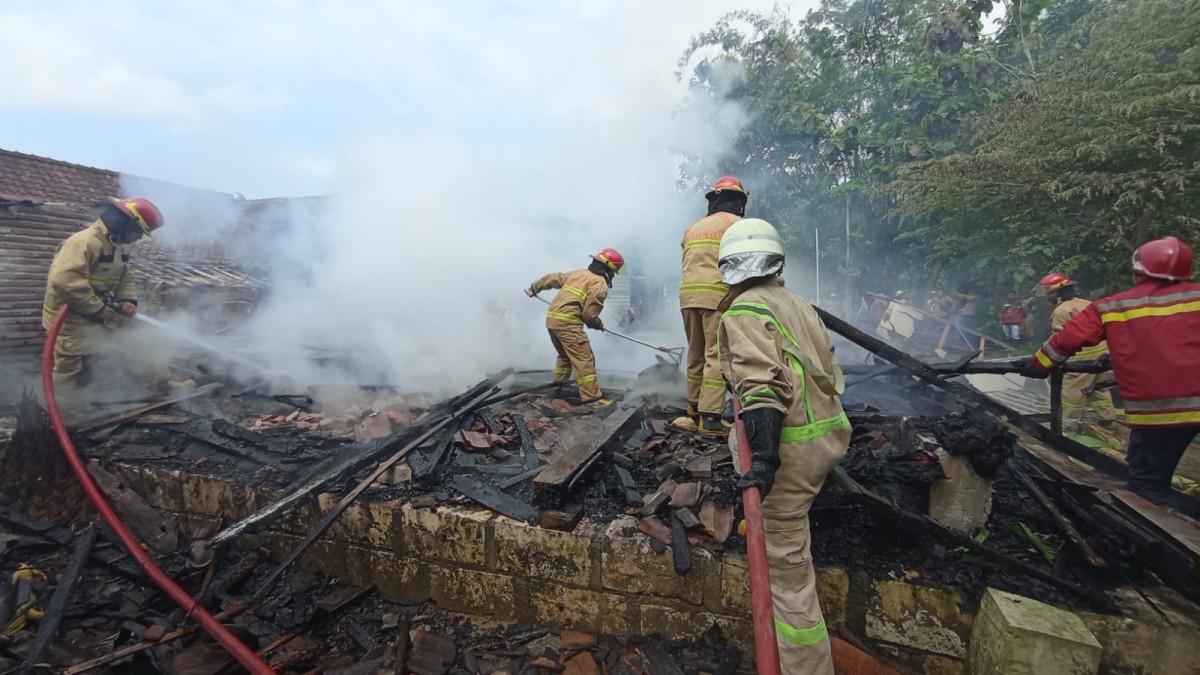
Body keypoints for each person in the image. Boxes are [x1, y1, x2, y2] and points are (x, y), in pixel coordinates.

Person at [717, 218, 849, 674]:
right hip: (826, 435)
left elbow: (759, 386)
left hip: (791, 450)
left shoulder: (745, 309)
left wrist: (765, 460)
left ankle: (803, 664)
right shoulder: (795, 302)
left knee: (787, 576)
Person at [1022, 236, 1200, 504]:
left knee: (1147, 488)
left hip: (1159, 414)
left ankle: (1153, 536)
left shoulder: (1113, 306)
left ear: (1138, 270)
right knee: (1096, 393)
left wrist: (1037, 365)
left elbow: (1065, 341)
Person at [43, 197, 164, 405]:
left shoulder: (114, 245)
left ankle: (162, 384)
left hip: (96, 316)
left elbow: (125, 276)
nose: (136, 239)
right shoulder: (84, 243)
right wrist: (96, 308)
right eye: (138, 233)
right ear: (127, 223)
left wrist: (127, 299)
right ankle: (64, 415)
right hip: (70, 323)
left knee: (135, 344)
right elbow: (65, 281)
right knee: (70, 371)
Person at [673, 176, 748, 437]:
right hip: (717, 297)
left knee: (696, 354)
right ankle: (711, 417)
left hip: (688, 297)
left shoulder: (692, 228)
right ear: (739, 201)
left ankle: (693, 410)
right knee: (716, 356)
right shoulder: (739, 226)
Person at [526, 248, 625, 407]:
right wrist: (596, 323)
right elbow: (589, 315)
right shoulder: (600, 284)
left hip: (552, 321)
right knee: (583, 359)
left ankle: (558, 388)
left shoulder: (577, 273)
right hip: (568, 325)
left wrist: (534, 287)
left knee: (565, 357)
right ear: (610, 270)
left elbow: (552, 278)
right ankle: (593, 400)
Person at [1035, 272, 1117, 427]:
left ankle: (1069, 423)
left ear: (1057, 292)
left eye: (1048, 293)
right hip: (1103, 356)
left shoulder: (1061, 311)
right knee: (1099, 388)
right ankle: (1107, 419)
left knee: (1072, 392)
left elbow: (1061, 340)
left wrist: (1044, 359)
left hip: (1080, 358)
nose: (1047, 297)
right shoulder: (1086, 303)